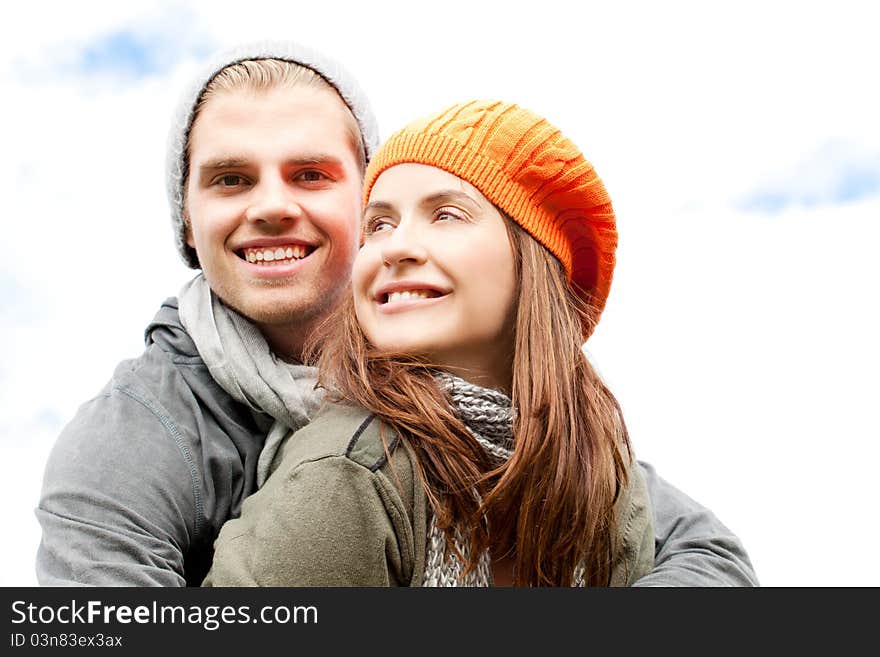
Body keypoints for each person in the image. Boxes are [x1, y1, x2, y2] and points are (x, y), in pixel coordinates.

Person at [35, 41, 758, 587]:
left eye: (311, 174)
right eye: (230, 179)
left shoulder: (474, 394)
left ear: (365, 201)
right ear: (187, 222)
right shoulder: (133, 440)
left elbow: (707, 551)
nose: (272, 205)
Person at [204, 100, 656, 586]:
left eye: (445, 215)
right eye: (379, 225)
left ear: (535, 262)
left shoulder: (605, 476)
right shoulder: (349, 474)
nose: (395, 247)